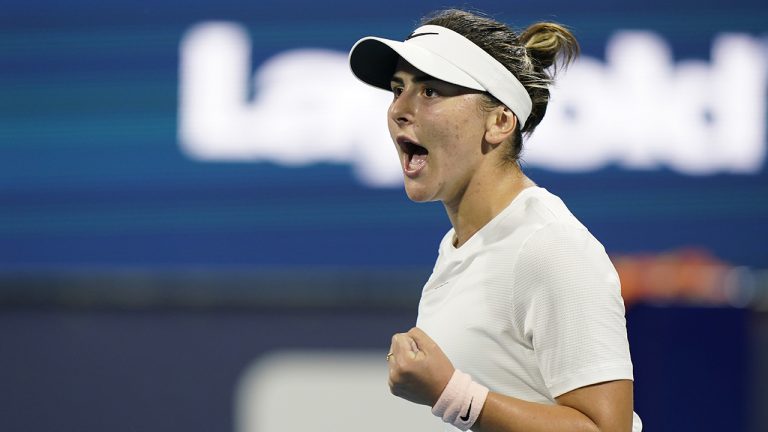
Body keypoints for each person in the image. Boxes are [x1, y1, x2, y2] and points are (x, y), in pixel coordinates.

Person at [348, 8, 642, 432]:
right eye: (398, 89)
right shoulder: (462, 246)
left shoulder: (549, 246)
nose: (399, 110)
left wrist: (452, 394)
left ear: (500, 122)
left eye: (429, 92)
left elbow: (606, 429)